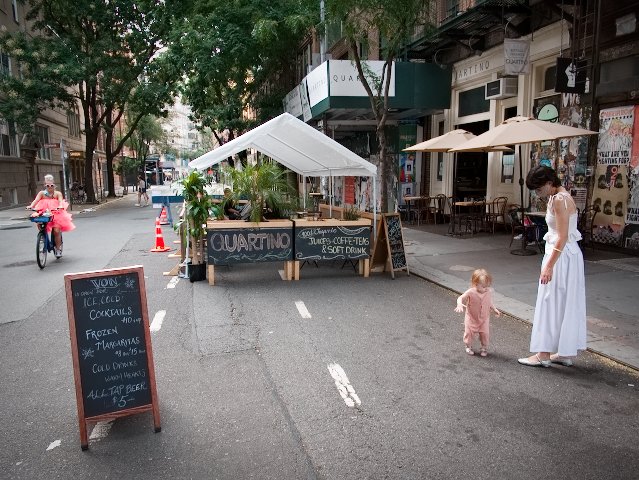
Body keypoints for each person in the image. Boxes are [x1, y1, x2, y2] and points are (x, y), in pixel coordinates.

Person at [518, 165, 586, 368]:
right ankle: (563, 351)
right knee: (564, 302)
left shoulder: (558, 200)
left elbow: (562, 236)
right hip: (567, 256)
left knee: (550, 301)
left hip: (560, 256)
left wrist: (548, 266)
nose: (538, 194)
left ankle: (544, 353)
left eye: (539, 189)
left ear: (549, 183)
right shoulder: (561, 196)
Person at [454, 268, 501, 357]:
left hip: (484, 318)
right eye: (483, 286)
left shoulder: (488, 292)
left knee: (485, 333)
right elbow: (460, 298)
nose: (486, 288)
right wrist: (459, 304)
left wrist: (494, 309)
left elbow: (489, 301)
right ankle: (468, 346)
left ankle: (484, 347)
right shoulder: (471, 292)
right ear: (475, 284)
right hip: (471, 317)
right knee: (469, 332)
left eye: (487, 286)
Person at [27, 175, 75, 258]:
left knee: (56, 230)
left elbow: (60, 201)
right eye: (47, 185)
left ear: (54, 185)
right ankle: (42, 240)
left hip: (56, 213)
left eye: (51, 185)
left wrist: (60, 206)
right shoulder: (42, 193)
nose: (49, 187)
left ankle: (58, 249)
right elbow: (36, 200)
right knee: (41, 226)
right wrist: (31, 206)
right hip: (44, 213)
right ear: (45, 185)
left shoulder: (57, 193)